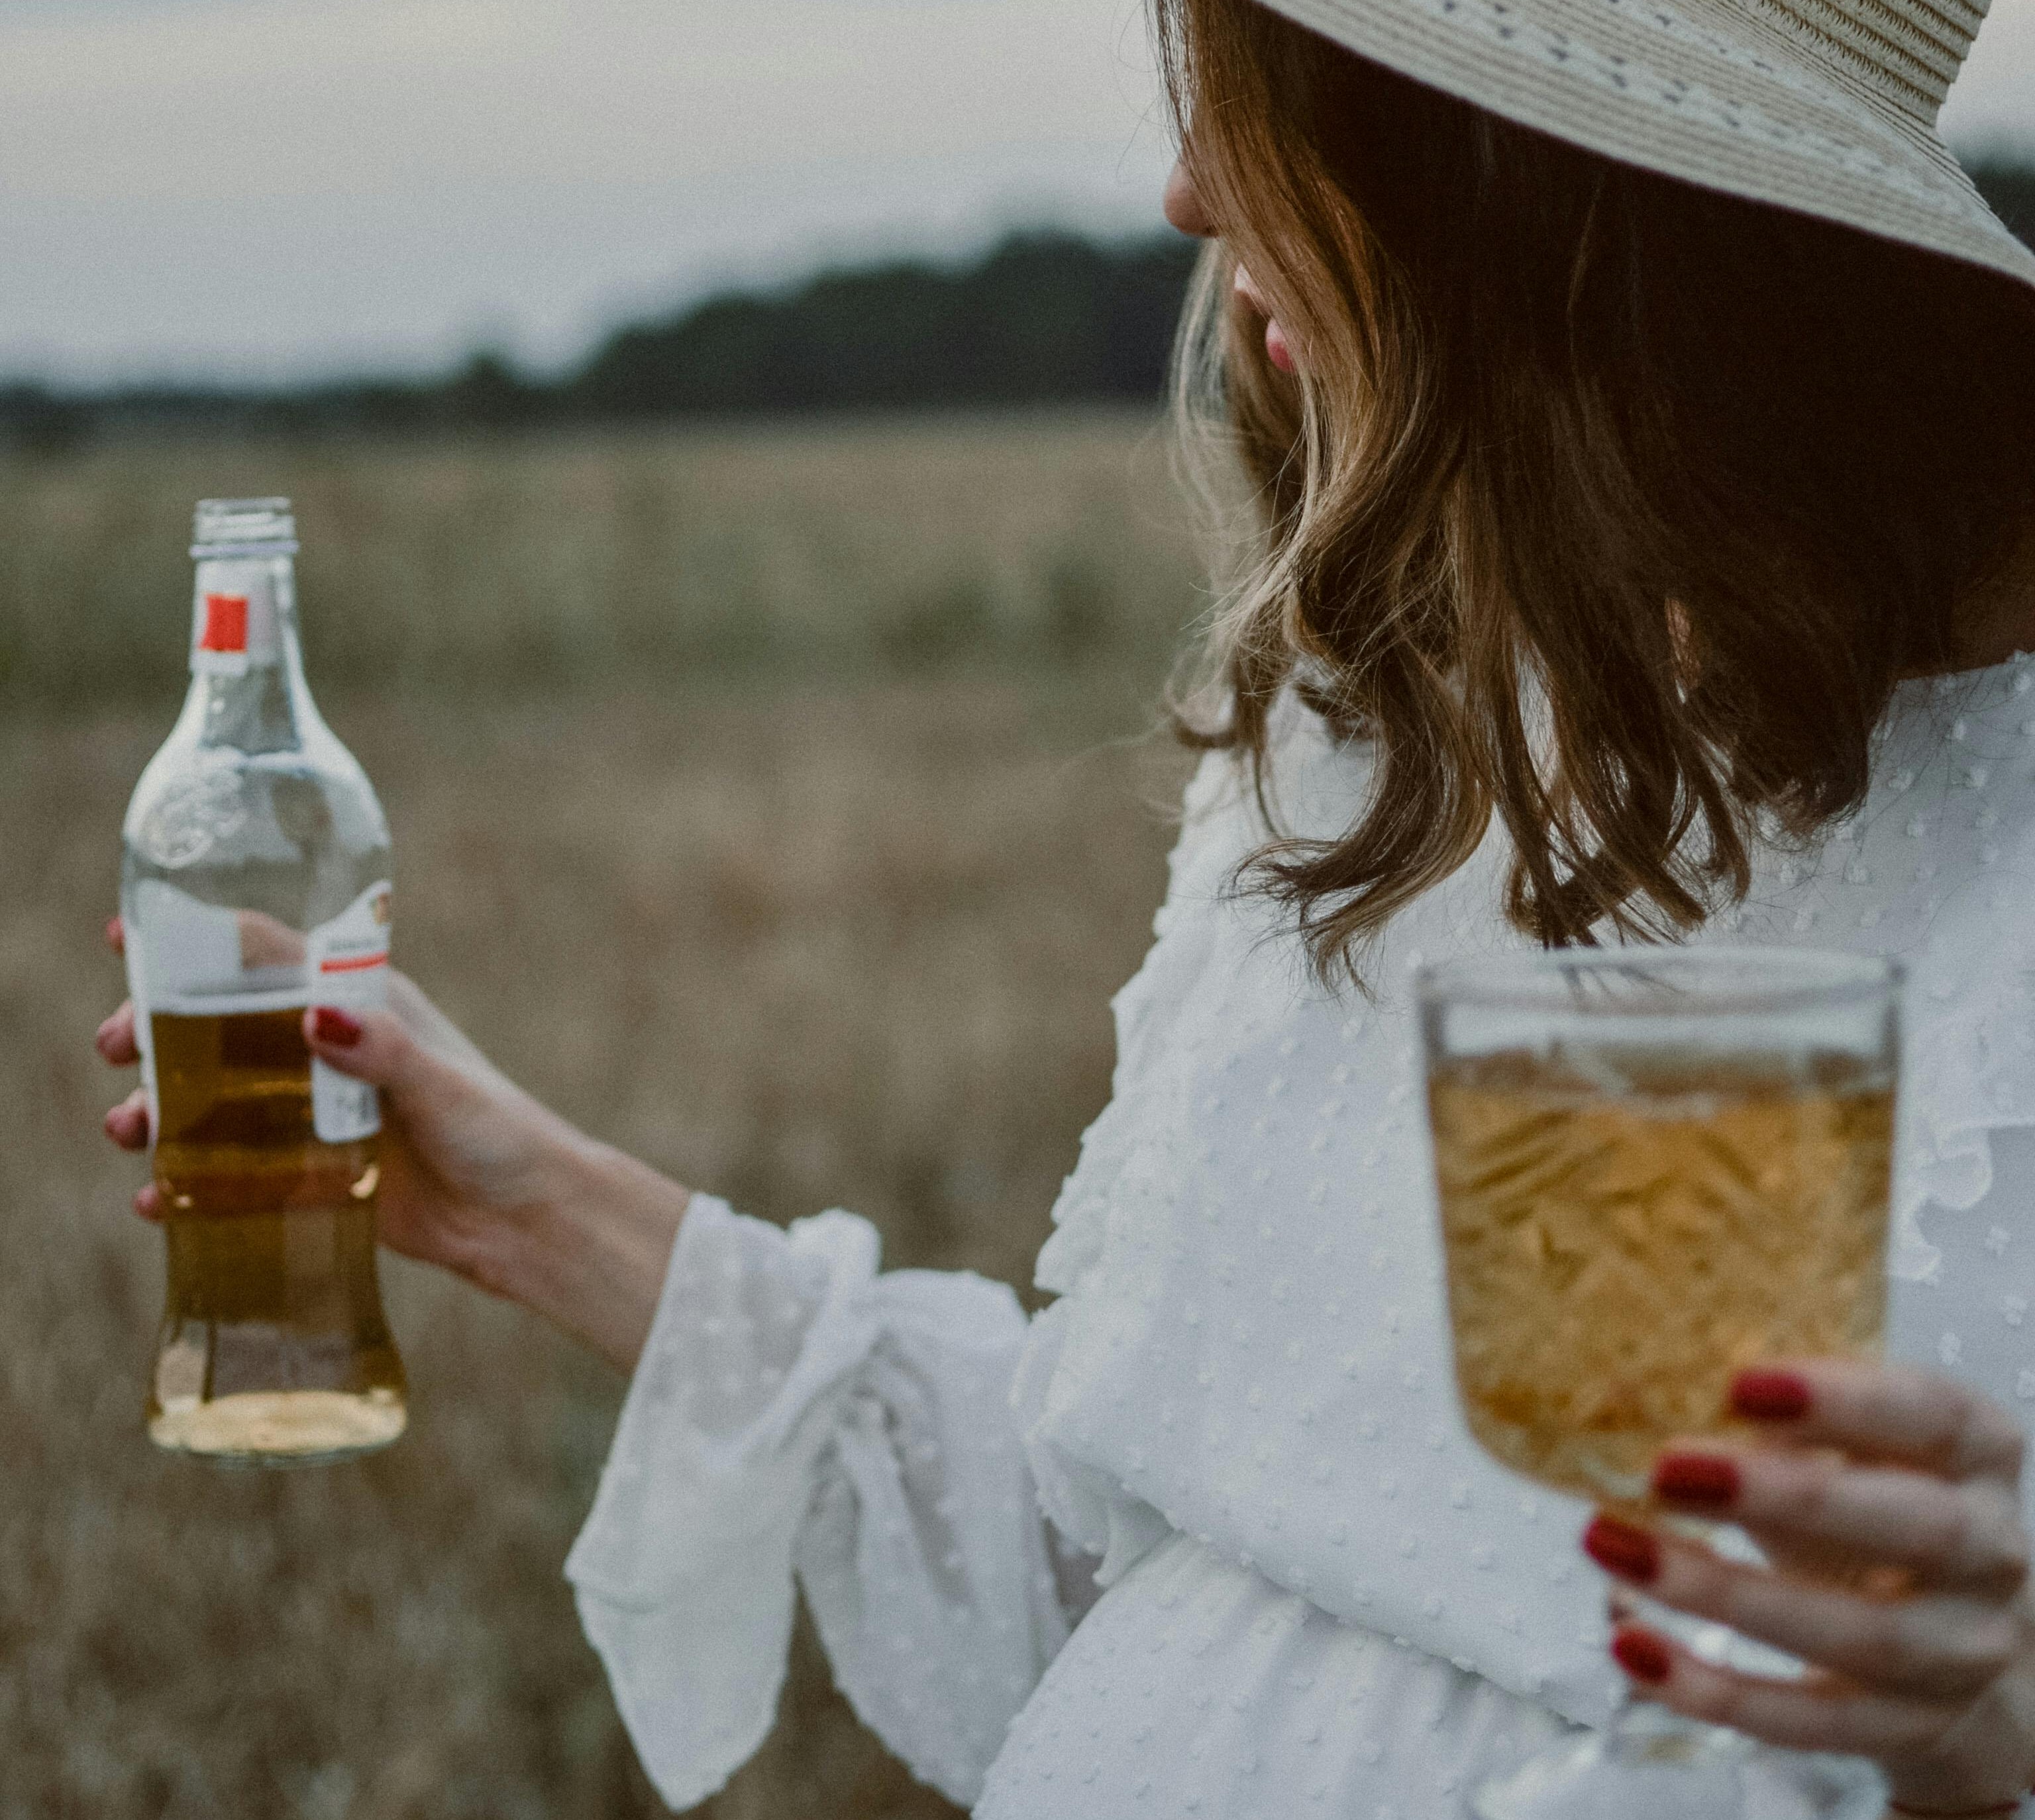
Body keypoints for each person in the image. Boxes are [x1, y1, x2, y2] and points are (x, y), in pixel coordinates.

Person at [95, 0, 2035, 1812]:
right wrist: (539, 1202)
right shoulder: (1386, 753)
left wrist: (1980, 1733)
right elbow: (1161, 1564)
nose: (1189, 188)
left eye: (1252, 88)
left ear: (1511, 179)